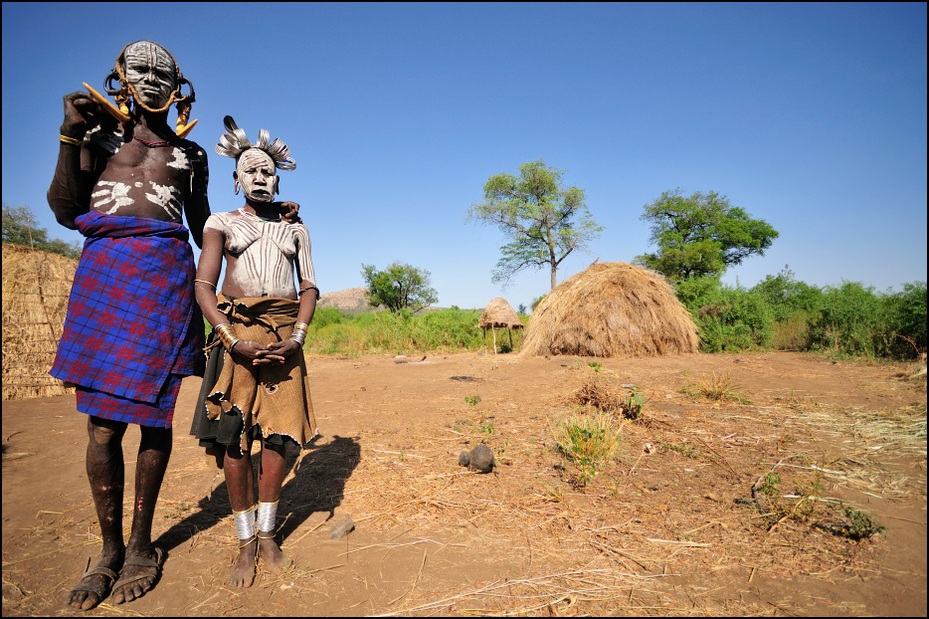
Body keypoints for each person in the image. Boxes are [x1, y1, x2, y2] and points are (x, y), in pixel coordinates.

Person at [47, 40, 210, 611]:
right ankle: (109, 549)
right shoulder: (96, 139)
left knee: (154, 419)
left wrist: (262, 220)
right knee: (102, 428)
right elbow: (67, 211)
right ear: (120, 77)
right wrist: (70, 135)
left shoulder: (189, 155)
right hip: (108, 278)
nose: (150, 78)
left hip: (164, 283)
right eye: (139, 69)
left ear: (178, 85)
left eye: (162, 71)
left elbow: (203, 226)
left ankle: (143, 547)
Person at [190, 115, 319, 588]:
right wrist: (230, 338)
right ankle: (245, 542)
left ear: (278, 179)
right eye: (251, 170)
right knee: (233, 437)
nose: (260, 177)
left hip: (286, 336)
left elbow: (308, 286)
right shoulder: (220, 222)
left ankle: (268, 534)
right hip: (235, 334)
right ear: (237, 178)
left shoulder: (296, 229)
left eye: (267, 171)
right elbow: (204, 286)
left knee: (282, 439)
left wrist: (298, 338)